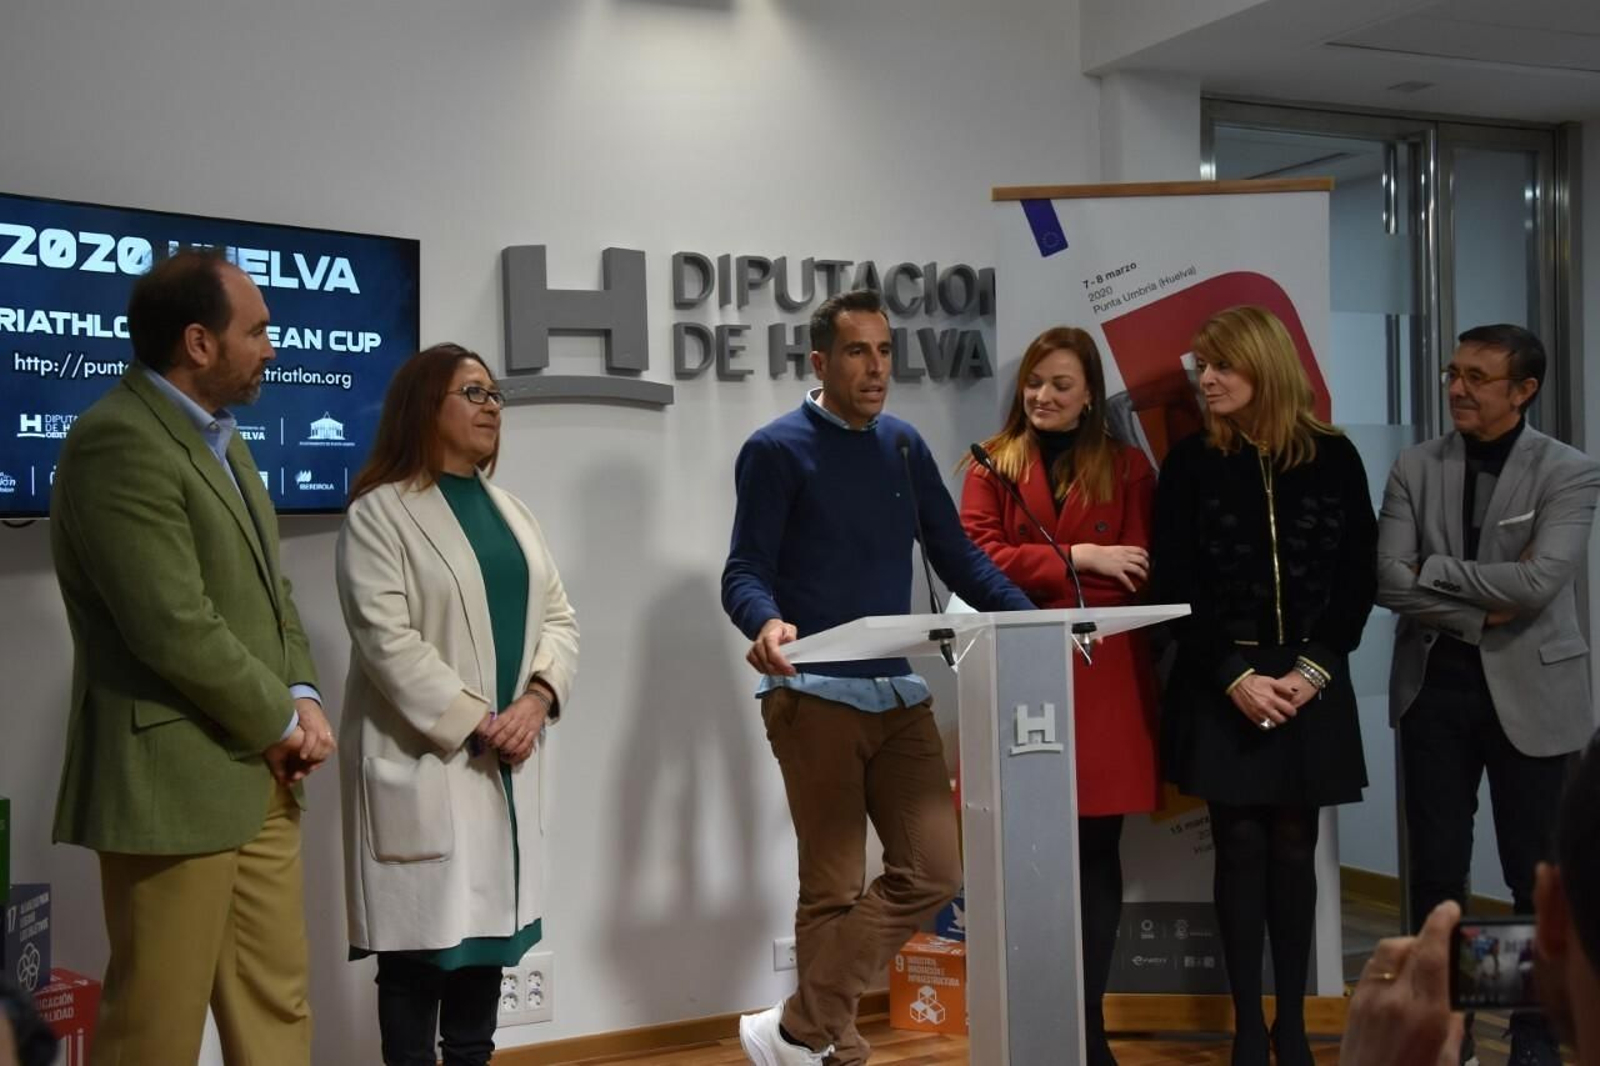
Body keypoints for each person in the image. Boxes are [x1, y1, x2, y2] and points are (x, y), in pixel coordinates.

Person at [721, 289, 1034, 1066]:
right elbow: (744, 569)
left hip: (896, 689)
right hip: (811, 692)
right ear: (820, 362)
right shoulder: (777, 448)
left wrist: (1030, 617)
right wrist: (764, 621)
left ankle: (794, 1027)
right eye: (859, 352)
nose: (877, 368)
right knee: (829, 885)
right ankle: (835, 1048)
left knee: (934, 871)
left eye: (886, 351)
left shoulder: (902, 445)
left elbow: (957, 557)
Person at [48, 250, 333, 1065]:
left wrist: (304, 695)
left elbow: (271, 591)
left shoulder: (222, 440)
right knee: (157, 1028)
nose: (272, 348)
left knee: (278, 1010)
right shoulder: (118, 440)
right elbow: (170, 622)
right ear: (199, 342)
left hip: (265, 776)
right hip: (170, 785)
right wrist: (281, 717)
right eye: (259, 331)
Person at [335, 343, 578, 1066]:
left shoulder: (512, 512)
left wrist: (537, 699)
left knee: (484, 949)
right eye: (472, 393)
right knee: (417, 955)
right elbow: (387, 639)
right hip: (431, 760)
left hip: (507, 761)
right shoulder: (380, 514)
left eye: (494, 393)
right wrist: (481, 721)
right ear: (423, 408)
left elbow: (560, 619)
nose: (492, 405)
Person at [1149, 305, 1376, 1066]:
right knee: (1238, 845)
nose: (1206, 381)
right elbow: (1177, 586)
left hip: (1312, 675)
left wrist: (1312, 673)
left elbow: (1356, 578)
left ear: (1264, 367)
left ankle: (1296, 1023)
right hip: (1223, 679)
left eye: (1221, 366)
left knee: (1294, 844)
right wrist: (1235, 677)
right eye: (1201, 368)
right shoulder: (1188, 464)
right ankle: (1248, 1025)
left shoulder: (1334, 458)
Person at [1376, 323, 1600, 1065]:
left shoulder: (1568, 471)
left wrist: (1433, 572)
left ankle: (1532, 1040)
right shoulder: (1415, 464)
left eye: (1477, 377)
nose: (1457, 389)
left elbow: (1539, 585)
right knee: (1437, 873)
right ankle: (1447, 1033)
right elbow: (1388, 580)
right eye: (1453, 372)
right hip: (1434, 692)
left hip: (1533, 696)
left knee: (1529, 874)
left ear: (1524, 390)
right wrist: (1478, 604)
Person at [958, 325, 1159, 1066]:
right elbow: (974, 555)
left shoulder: (1130, 467)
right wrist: (1076, 557)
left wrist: (1040, 570)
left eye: (1061, 385)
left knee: (1099, 847)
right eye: (1035, 382)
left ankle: (1091, 1025)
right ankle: (1034, 1021)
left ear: (1089, 394)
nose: (1042, 396)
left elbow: (1133, 571)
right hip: (1022, 670)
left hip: (1107, 675)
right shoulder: (989, 462)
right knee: (1029, 849)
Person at [1341, 732, 1600, 1066]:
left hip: (1536, 706)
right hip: (1436, 699)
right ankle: (1458, 1040)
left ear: (1552, 916)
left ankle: (1533, 1043)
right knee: (1437, 877)